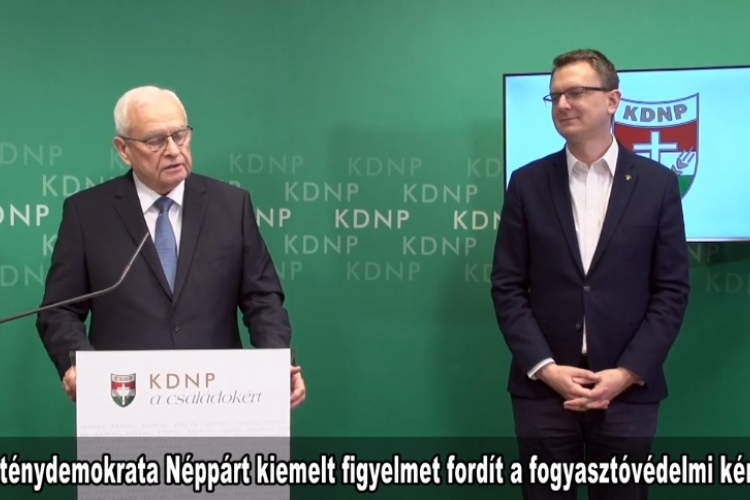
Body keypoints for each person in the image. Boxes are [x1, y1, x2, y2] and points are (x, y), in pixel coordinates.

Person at [491, 49, 689, 499]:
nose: (563, 104)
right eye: (555, 95)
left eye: (577, 92)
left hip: (627, 394)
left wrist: (628, 372)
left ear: (613, 100)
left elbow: (671, 290)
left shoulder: (658, 184)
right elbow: (507, 286)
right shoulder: (527, 183)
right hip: (545, 393)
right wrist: (545, 369)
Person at [36, 85, 305, 409]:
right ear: (123, 149)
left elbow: (262, 299)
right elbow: (59, 309)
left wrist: (276, 362)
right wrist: (78, 365)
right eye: (155, 140)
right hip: (124, 402)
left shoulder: (231, 206)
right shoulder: (87, 213)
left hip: (218, 400)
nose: (174, 150)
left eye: (180, 135)